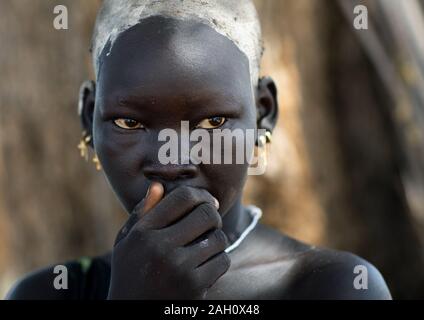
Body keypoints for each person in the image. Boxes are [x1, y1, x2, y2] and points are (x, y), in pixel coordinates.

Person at [6, 0, 392, 299]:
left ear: (263, 113)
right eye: (130, 123)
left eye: (213, 123)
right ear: (89, 118)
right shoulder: (50, 292)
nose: (172, 159)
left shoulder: (333, 287)